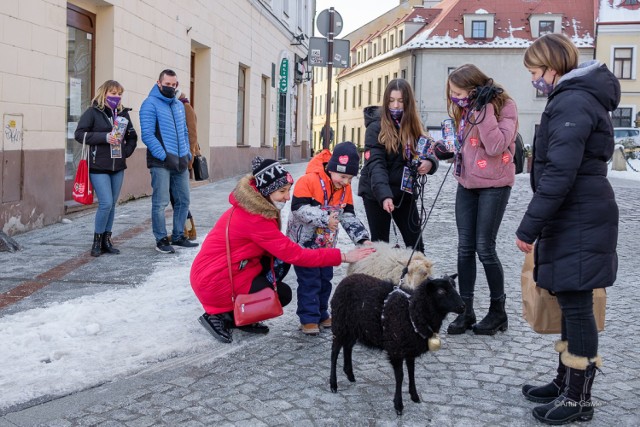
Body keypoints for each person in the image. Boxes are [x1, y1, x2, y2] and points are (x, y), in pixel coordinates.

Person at [516, 33, 619, 425]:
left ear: (552, 68)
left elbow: (559, 172)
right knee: (571, 304)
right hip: (576, 213)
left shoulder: (573, 100)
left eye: (534, 71)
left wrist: (528, 227)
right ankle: (566, 381)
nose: (533, 79)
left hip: (579, 215)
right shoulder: (573, 98)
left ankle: (579, 399)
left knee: (577, 308)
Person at [190, 157, 375, 344]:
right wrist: (343, 256)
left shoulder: (256, 207)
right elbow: (296, 254)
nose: (288, 197)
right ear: (265, 191)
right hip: (213, 279)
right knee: (279, 295)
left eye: (288, 190)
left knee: (279, 282)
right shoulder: (254, 218)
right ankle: (217, 315)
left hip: (230, 269)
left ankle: (240, 316)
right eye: (282, 191)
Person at [442, 64, 518, 336]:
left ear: (474, 89)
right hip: (467, 183)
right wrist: (447, 150)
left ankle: (498, 312)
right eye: (452, 93)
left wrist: (484, 109)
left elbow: (496, 145)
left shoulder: (504, 106)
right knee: (465, 248)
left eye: (459, 92)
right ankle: (466, 310)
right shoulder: (466, 109)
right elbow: (467, 145)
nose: (455, 98)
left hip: (494, 185)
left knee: (485, 247)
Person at [286, 142, 371, 336]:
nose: (346, 182)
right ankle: (308, 319)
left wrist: (362, 239)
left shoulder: (344, 189)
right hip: (304, 246)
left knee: (325, 280)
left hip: (326, 245)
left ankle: (322, 313)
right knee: (310, 281)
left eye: (350, 178)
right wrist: (325, 219)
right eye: (343, 176)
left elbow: (348, 216)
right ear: (332, 169)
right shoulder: (307, 181)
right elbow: (298, 210)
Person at [358, 78, 439, 253]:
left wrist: (430, 163)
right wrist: (384, 196)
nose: (395, 106)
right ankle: (381, 280)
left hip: (405, 193)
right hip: (376, 193)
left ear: (408, 103)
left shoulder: (414, 127)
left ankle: (419, 280)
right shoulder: (375, 127)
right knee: (382, 249)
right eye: (391, 100)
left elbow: (428, 149)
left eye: (401, 101)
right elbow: (376, 164)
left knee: (416, 247)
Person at [75, 80, 137, 257]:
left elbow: (132, 136)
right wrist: (105, 137)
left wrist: (126, 152)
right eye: (113, 93)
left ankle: (106, 240)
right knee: (106, 203)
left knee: (112, 205)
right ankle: (96, 241)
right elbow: (79, 134)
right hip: (98, 165)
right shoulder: (93, 112)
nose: (116, 97)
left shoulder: (124, 113)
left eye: (119, 94)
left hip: (118, 165)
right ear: (104, 93)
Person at [140, 69, 198, 253]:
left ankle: (179, 235)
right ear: (159, 83)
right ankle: (161, 239)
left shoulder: (179, 105)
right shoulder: (150, 103)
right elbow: (147, 135)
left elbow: (184, 132)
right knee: (161, 202)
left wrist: (188, 154)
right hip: (161, 162)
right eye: (167, 85)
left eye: (174, 85)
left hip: (180, 161)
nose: (171, 88)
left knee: (183, 200)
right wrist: (164, 155)